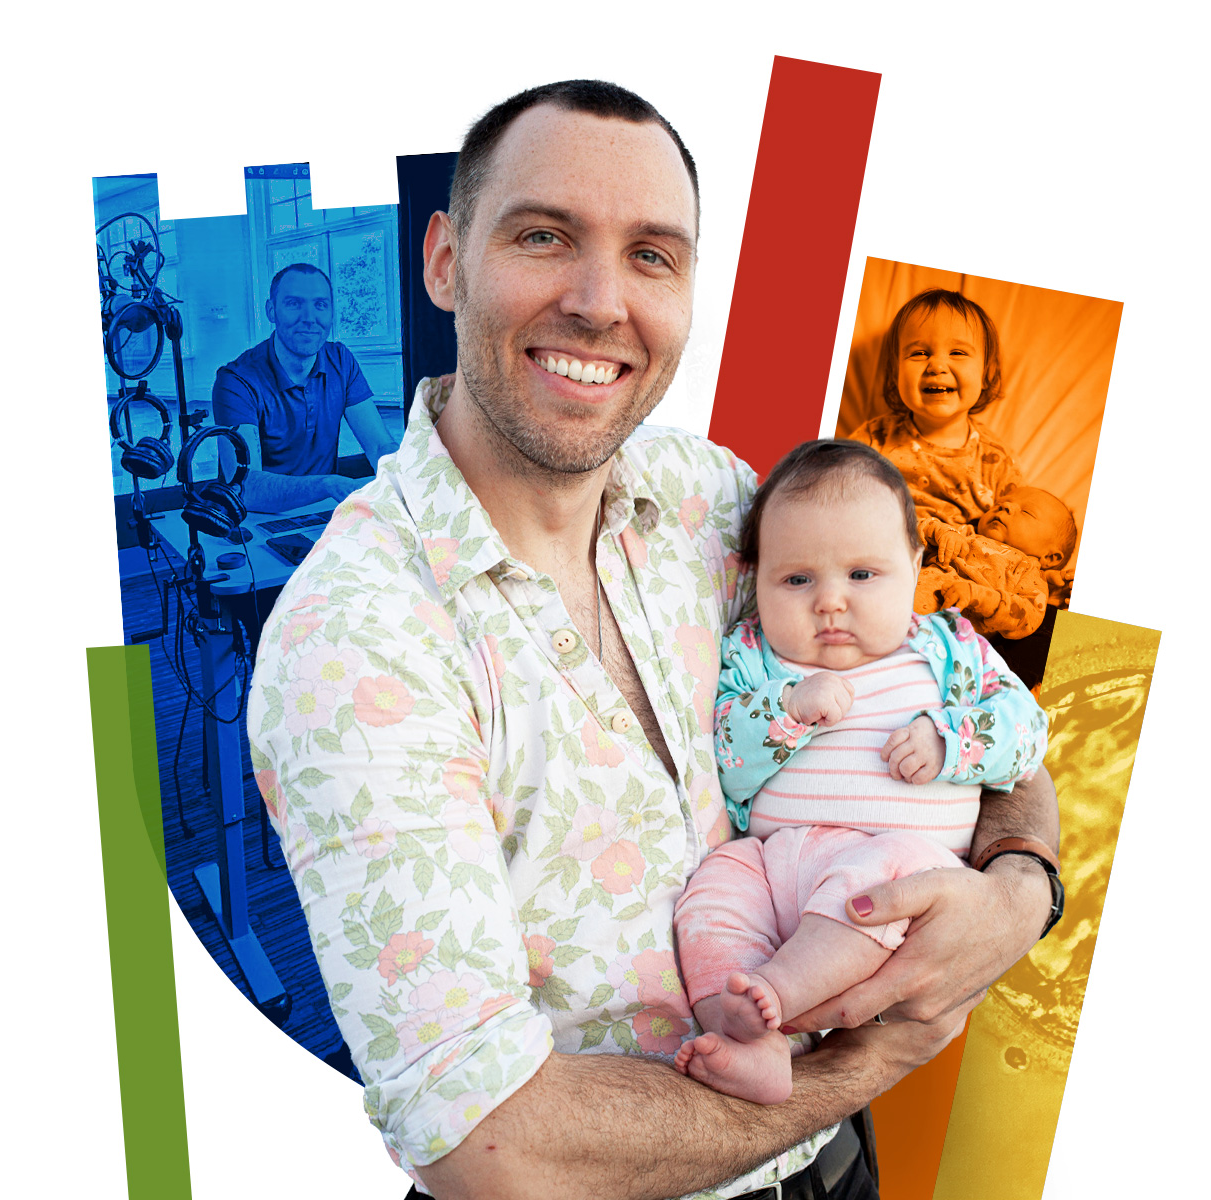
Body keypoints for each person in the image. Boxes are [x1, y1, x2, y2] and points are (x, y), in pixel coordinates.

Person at [248, 80, 1061, 1200]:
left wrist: (1021, 887)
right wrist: (870, 1062)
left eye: (652, 256)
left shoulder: (713, 496)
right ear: (444, 260)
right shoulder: (358, 643)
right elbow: (489, 1144)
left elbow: (949, 677)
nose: (598, 301)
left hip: (835, 1175)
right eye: (544, 237)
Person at [671, 440, 1050, 1105]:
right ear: (755, 582)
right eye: (796, 580)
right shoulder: (756, 658)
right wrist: (784, 711)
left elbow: (1026, 732)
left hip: (897, 875)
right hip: (772, 862)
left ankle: (779, 997)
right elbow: (727, 757)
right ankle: (746, 1040)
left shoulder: (948, 650)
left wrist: (950, 740)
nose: (829, 603)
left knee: (896, 865)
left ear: (913, 566)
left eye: (861, 575)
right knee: (711, 889)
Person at [212, 263, 400, 512]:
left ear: (331, 313)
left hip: (323, 511)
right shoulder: (236, 380)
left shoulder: (341, 361)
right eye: (294, 304)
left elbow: (379, 446)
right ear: (271, 311)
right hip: (256, 520)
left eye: (320, 305)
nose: (309, 318)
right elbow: (246, 486)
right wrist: (325, 485)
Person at [914, 485, 1078, 637]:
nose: (1005, 506)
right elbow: (912, 533)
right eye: (999, 504)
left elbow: (1027, 618)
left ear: (1050, 557)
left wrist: (982, 597)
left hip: (942, 635)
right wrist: (939, 532)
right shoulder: (965, 533)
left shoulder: (1029, 572)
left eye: (1027, 512)